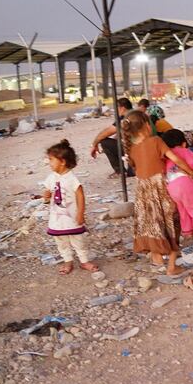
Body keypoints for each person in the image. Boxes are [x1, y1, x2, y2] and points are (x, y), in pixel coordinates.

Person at [121, 110, 193, 275]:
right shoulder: (156, 141)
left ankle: (156, 257)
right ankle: (171, 266)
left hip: (143, 194)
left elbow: (137, 169)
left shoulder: (132, 149)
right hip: (160, 189)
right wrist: (189, 171)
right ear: (147, 126)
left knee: (152, 225)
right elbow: (175, 159)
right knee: (171, 223)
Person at [43, 139, 98, 275]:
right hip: (57, 217)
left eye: (51, 159)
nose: (48, 163)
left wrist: (80, 213)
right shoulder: (51, 177)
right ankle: (67, 260)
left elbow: (80, 196)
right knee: (61, 240)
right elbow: (47, 194)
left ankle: (84, 260)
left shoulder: (72, 178)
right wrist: (46, 196)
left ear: (62, 161)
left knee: (77, 239)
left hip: (72, 216)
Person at [161, 129, 193, 240]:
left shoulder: (166, 154)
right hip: (184, 182)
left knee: (182, 208)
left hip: (171, 186)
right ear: (183, 143)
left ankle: (188, 232)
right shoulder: (185, 151)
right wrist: (191, 170)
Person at [90, 97, 134, 177]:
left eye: (117, 108)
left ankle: (120, 171)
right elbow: (119, 134)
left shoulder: (126, 118)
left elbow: (106, 133)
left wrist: (94, 144)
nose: (115, 111)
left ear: (122, 108)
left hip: (135, 149)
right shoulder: (136, 114)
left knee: (104, 142)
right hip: (142, 147)